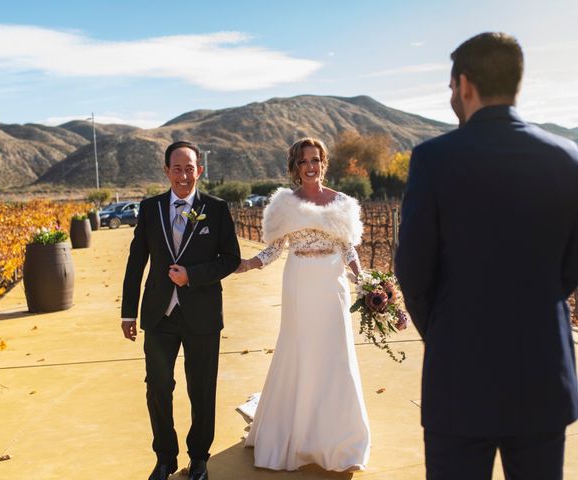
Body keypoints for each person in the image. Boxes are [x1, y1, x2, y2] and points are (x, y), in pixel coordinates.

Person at [395, 32, 578, 480]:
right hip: (542, 372)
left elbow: (414, 271)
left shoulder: (434, 159)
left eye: (450, 85)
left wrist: (442, 330)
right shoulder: (567, 157)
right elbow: (572, 265)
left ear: (465, 84)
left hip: (459, 373)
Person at [235, 137, 371, 471]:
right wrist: (250, 263)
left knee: (335, 354)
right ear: (295, 167)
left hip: (331, 283)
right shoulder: (284, 203)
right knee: (299, 350)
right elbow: (274, 248)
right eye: (303, 161)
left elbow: (348, 248)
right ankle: (293, 435)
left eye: (315, 160)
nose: (310, 166)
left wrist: (362, 277)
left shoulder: (342, 203)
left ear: (323, 163)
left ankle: (339, 441)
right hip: (298, 281)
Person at [121, 141, 241, 480]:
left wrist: (193, 276)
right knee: (157, 386)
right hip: (159, 315)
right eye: (177, 168)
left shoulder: (216, 209)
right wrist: (128, 313)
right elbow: (135, 264)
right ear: (166, 171)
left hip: (202, 315)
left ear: (199, 170)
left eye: (190, 168)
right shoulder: (150, 208)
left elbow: (230, 258)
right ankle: (164, 458)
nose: (184, 175)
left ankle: (200, 458)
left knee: (201, 389)